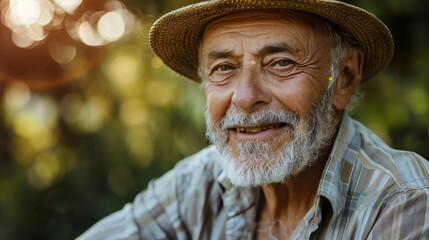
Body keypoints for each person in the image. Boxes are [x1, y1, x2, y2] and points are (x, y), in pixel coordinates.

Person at [77, 0, 429, 239]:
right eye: (224, 68)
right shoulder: (197, 184)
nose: (245, 97)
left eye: (281, 63)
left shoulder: (405, 204)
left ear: (345, 77)